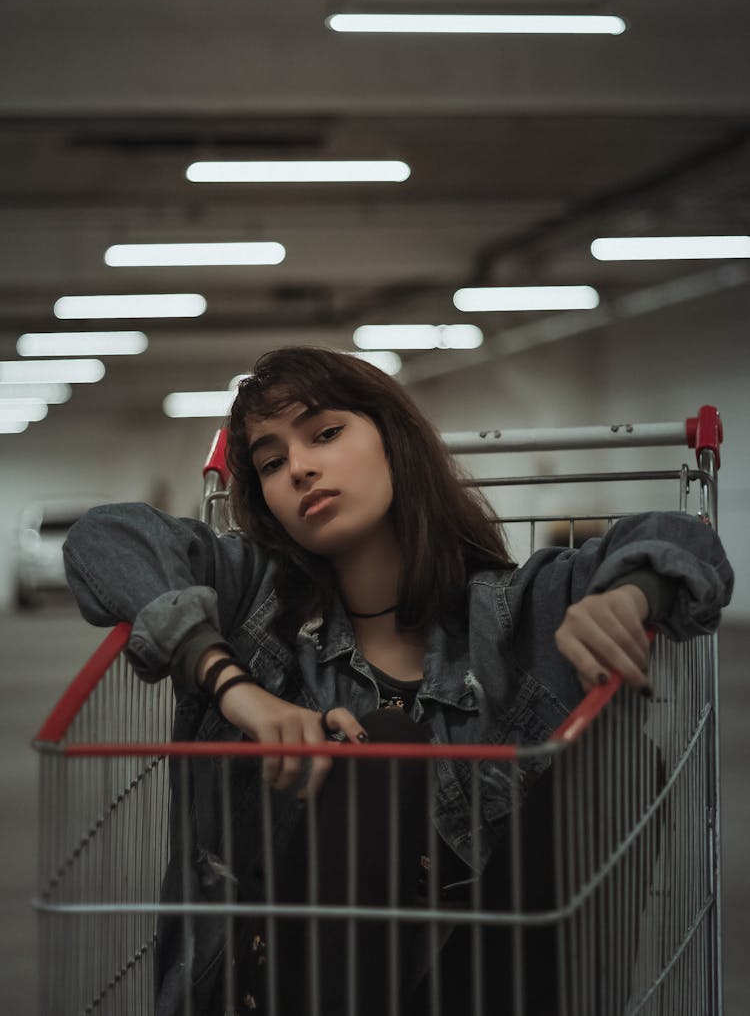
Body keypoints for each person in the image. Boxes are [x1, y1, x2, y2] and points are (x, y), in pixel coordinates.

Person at [63, 346, 733, 1016]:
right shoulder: (252, 601)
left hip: (476, 981)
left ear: (394, 439)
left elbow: (685, 539)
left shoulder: (512, 612)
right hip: (281, 983)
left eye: (325, 432)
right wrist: (233, 684)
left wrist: (632, 594)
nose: (299, 466)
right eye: (271, 462)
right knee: (378, 750)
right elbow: (105, 538)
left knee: (618, 752)